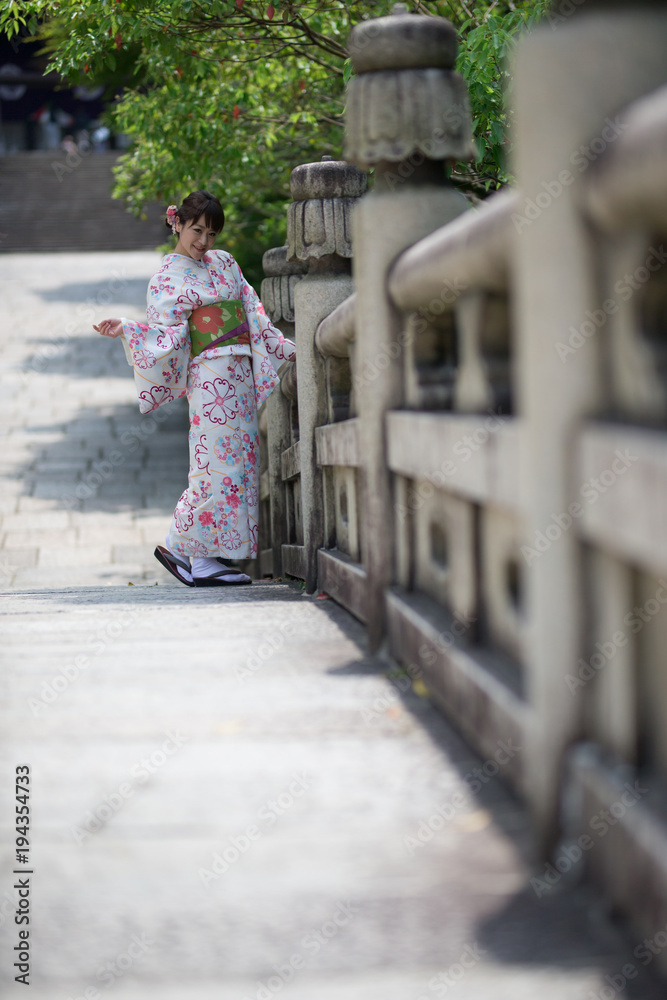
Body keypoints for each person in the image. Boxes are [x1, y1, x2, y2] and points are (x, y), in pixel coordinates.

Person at [94, 189, 296, 587]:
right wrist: (129, 328)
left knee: (238, 463)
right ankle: (197, 556)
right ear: (179, 224)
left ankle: (189, 548)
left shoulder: (225, 264)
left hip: (239, 373)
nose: (204, 241)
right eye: (197, 230)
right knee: (214, 462)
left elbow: (252, 311)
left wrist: (286, 349)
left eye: (212, 234)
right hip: (209, 380)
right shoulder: (166, 278)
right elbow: (167, 334)